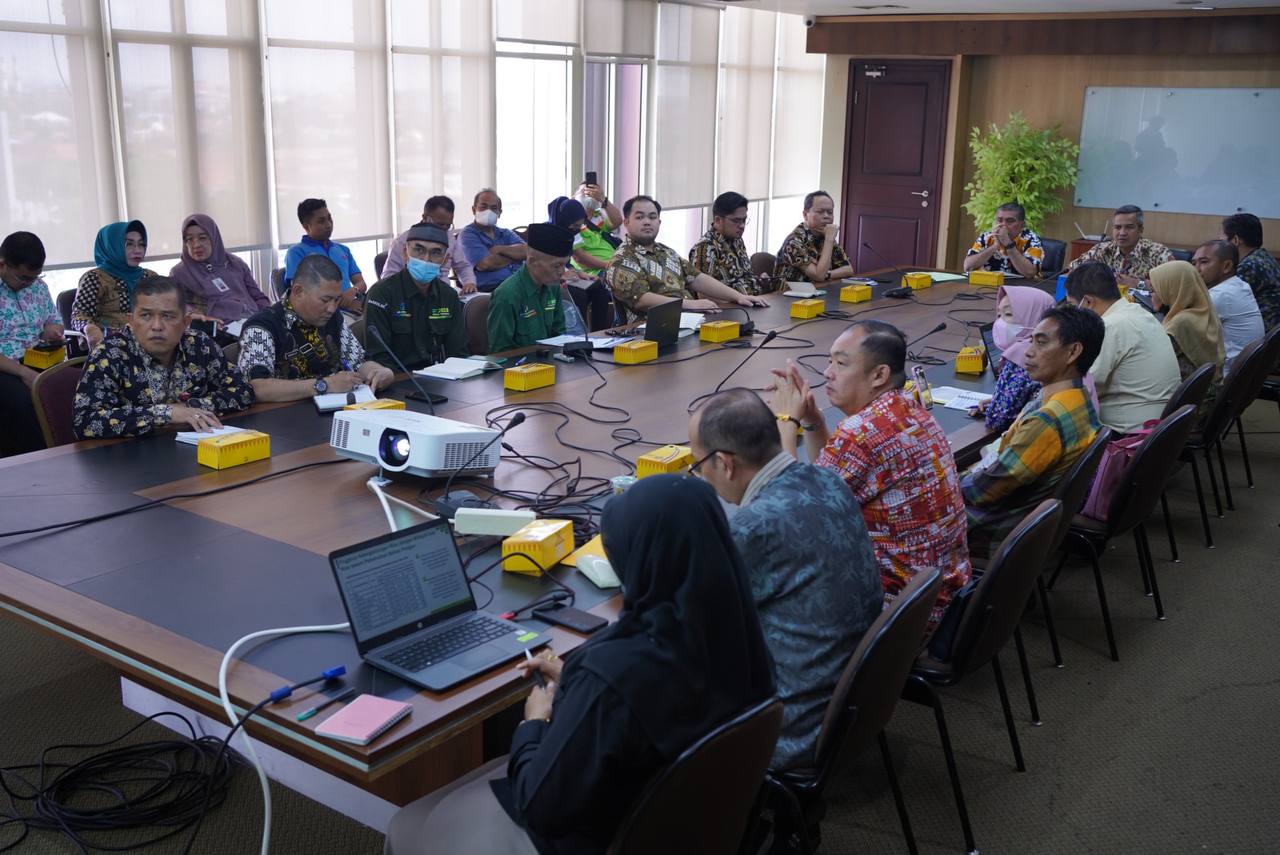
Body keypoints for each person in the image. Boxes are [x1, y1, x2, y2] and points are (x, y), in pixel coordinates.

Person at [382, 475, 776, 855]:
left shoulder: (613, 675)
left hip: (582, 835)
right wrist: (575, 681)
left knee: (406, 826)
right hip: (678, 827)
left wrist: (533, 723)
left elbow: (540, 807)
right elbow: (662, 700)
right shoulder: (735, 633)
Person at [688, 388, 880, 771]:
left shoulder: (752, 528)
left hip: (792, 729)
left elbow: (686, 617)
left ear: (725, 463)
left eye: (698, 466)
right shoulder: (829, 481)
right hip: (854, 702)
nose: (700, 476)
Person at [768, 320, 971, 627]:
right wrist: (811, 418)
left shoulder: (861, 433)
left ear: (879, 375)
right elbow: (829, 483)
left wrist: (786, 421)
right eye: (829, 360)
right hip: (939, 596)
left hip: (897, 617)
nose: (827, 372)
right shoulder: (908, 408)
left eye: (841, 363)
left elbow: (791, 512)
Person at [962, 305, 1104, 559]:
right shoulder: (1079, 399)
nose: (1028, 352)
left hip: (993, 530)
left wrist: (942, 481)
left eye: (1041, 343)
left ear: (1073, 352)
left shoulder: (1047, 421)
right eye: (1031, 341)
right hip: (1031, 527)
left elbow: (982, 491)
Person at [72, 277, 253, 439]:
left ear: (185, 323)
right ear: (131, 321)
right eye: (146, 316)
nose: (157, 326)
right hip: (129, 464)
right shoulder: (110, 354)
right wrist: (166, 413)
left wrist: (192, 407)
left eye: (167, 316)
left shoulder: (199, 345)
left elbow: (243, 390)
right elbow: (85, 420)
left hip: (193, 453)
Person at [238, 255, 393, 402]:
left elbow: (359, 362)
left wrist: (380, 372)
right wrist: (325, 385)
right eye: (325, 300)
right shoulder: (261, 326)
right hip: (282, 418)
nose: (332, 308)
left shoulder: (332, 318)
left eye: (337, 300)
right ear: (298, 292)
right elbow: (257, 387)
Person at [606, 195, 766, 323]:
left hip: (688, 322)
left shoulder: (666, 251)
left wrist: (738, 296)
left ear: (659, 222)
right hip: (650, 331)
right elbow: (641, 299)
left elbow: (697, 278)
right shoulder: (622, 259)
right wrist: (691, 304)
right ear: (626, 223)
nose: (647, 222)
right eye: (640, 217)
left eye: (652, 217)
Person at [1065, 262, 1179, 435]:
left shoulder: (1110, 326)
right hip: (1161, 428)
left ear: (1087, 301)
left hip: (1129, 434)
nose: (1073, 313)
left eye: (1073, 306)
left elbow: (1085, 384)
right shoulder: (1137, 312)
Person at [365, 223, 469, 371]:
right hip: (395, 381)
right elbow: (378, 358)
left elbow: (459, 353)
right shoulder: (381, 294)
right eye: (419, 250)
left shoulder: (449, 296)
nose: (426, 259)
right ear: (405, 253)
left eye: (436, 252)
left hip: (441, 379)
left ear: (445, 260)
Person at [0, 232, 62, 456]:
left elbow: (53, 321)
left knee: (74, 388)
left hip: (39, 358)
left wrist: (52, 331)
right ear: (2, 264)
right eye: (23, 278)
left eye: (35, 278)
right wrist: (23, 373)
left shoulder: (37, 288)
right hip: (6, 366)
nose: (29, 284)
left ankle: (72, 453)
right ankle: (38, 462)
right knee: (26, 402)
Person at [1149, 260, 1226, 417]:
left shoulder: (1180, 324)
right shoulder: (1203, 311)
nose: (1152, 295)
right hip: (1207, 398)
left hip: (1188, 411)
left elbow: (1153, 368)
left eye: (1155, 290)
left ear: (1172, 290)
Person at [977, 285, 1055, 434]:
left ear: (1035, 318)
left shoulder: (1024, 357)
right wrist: (999, 399)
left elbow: (997, 420)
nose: (1000, 322)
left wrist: (997, 406)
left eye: (1008, 314)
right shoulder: (1057, 349)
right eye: (999, 315)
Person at [168, 213, 271, 325]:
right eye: (189, 239)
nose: (196, 245)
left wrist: (266, 318)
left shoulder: (235, 263)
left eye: (202, 238)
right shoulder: (179, 274)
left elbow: (259, 297)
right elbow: (177, 310)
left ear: (214, 238)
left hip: (253, 322)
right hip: (217, 330)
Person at [486, 224, 572, 352]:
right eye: (557, 266)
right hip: (520, 369)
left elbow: (559, 334)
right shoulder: (507, 295)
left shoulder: (553, 287)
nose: (561, 272)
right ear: (532, 261)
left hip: (552, 363)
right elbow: (500, 352)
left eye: (564, 265)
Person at [71, 220, 156, 349]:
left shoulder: (151, 277)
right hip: (113, 348)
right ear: (112, 246)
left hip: (152, 341)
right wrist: (90, 328)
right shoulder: (94, 278)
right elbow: (80, 315)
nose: (138, 250)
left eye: (141, 244)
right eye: (129, 244)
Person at [283, 198, 367, 313]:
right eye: (321, 221)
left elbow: (361, 283)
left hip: (353, 307)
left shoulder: (343, 250)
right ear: (307, 227)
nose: (328, 225)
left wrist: (353, 291)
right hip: (323, 313)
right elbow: (301, 293)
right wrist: (341, 304)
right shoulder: (296, 252)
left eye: (329, 218)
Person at [1191, 239, 1264, 371]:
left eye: (1204, 262)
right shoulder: (1238, 285)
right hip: (1241, 376)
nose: (1195, 270)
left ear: (1227, 266)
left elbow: (1180, 328)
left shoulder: (1221, 295)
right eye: (1193, 263)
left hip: (1223, 379)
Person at [381, 196, 478, 293]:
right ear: (424, 217)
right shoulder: (402, 241)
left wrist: (469, 282)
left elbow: (463, 266)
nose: (443, 229)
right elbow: (388, 277)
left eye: (448, 225)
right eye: (440, 224)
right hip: (410, 294)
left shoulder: (450, 238)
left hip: (443, 293)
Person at [1067, 205, 1174, 290]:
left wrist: (1138, 283)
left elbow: (1174, 287)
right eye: (1117, 227)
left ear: (1141, 229)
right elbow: (1073, 269)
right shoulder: (1103, 249)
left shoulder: (1157, 253)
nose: (1122, 233)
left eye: (1129, 227)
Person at [548, 196, 613, 332]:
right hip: (551, 279)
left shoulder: (569, 234)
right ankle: (581, 338)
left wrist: (580, 274)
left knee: (599, 291)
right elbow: (543, 265)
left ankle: (600, 335)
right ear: (564, 221)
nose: (577, 230)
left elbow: (567, 261)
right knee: (580, 296)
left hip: (568, 277)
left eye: (580, 226)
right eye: (575, 226)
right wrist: (562, 275)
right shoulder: (547, 235)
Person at [689, 191, 773, 295]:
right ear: (718, 220)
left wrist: (758, 280)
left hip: (751, 303)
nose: (742, 226)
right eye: (736, 221)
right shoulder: (705, 247)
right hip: (730, 308)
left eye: (744, 220)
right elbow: (704, 295)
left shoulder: (737, 240)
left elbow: (743, 277)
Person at [774, 191, 854, 285]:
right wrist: (829, 240)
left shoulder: (826, 235)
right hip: (788, 296)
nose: (826, 216)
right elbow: (819, 276)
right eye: (820, 212)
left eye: (830, 212)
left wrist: (827, 274)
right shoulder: (794, 242)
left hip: (818, 291)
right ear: (805, 215)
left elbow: (849, 269)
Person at [459, 188, 527, 293]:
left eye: (494, 208)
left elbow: (527, 251)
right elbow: (485, 264)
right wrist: (515, 257)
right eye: (483, 206)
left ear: (499, 213)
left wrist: (500, 249)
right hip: (490, 291)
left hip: (519, 286)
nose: (488, 211)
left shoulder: (505, 233)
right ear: (474, 209)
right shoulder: (468, 234)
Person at [1221, 212, 1280, 331]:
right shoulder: (1264, 256)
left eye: (1221, 241)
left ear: (1235, 240)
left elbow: (1224, 298)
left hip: (1261, 336)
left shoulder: (1249, 266)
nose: (1220, 246)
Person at [963, 202, 1045, 279]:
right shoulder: (987, 237)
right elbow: (968, 266)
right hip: (987, 286)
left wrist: (1009, 244)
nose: (1003, 225)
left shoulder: (1032, 239)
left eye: (1010, 221)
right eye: (999, 220)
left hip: (1022, 288)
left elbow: (1030, 272)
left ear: (1022, 225)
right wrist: (994, 246)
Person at [569, 182, 621, 279]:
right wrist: (610, 266)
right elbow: (580, 258)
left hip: (613, 267)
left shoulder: (599, 216)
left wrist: (603, 199)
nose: (589, 195)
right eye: (585, 191)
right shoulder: (571, 221)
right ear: (573, 197)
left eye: (593, 192)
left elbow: (617, 222)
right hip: (594, 273)